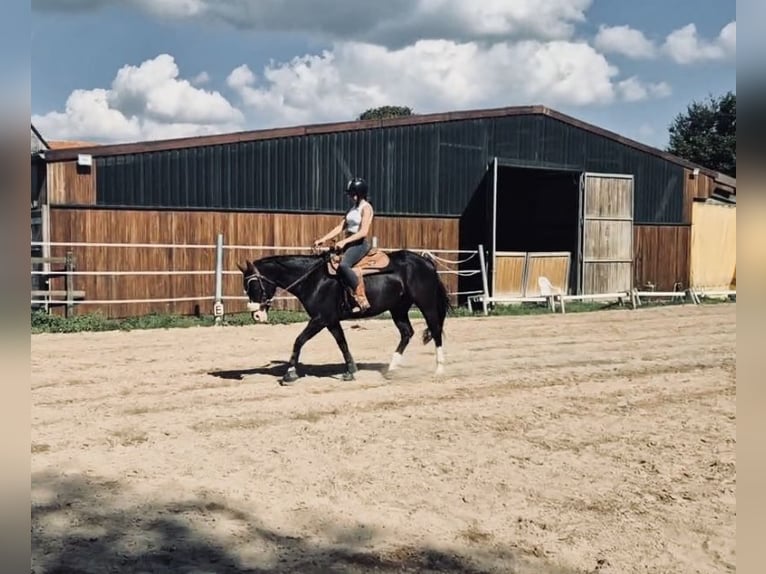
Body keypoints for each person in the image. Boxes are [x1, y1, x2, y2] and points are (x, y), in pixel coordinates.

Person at [313, 177, 374, 312]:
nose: (351, 197)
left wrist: (344, 241)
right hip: (349, 242)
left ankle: (361, 297)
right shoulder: (352, 209)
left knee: (344, 265)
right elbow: (340, 227)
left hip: (359, 244)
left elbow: (363, 232)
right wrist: (323, 239)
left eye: (353, 194)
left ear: (359, 194)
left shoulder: (366, 208)